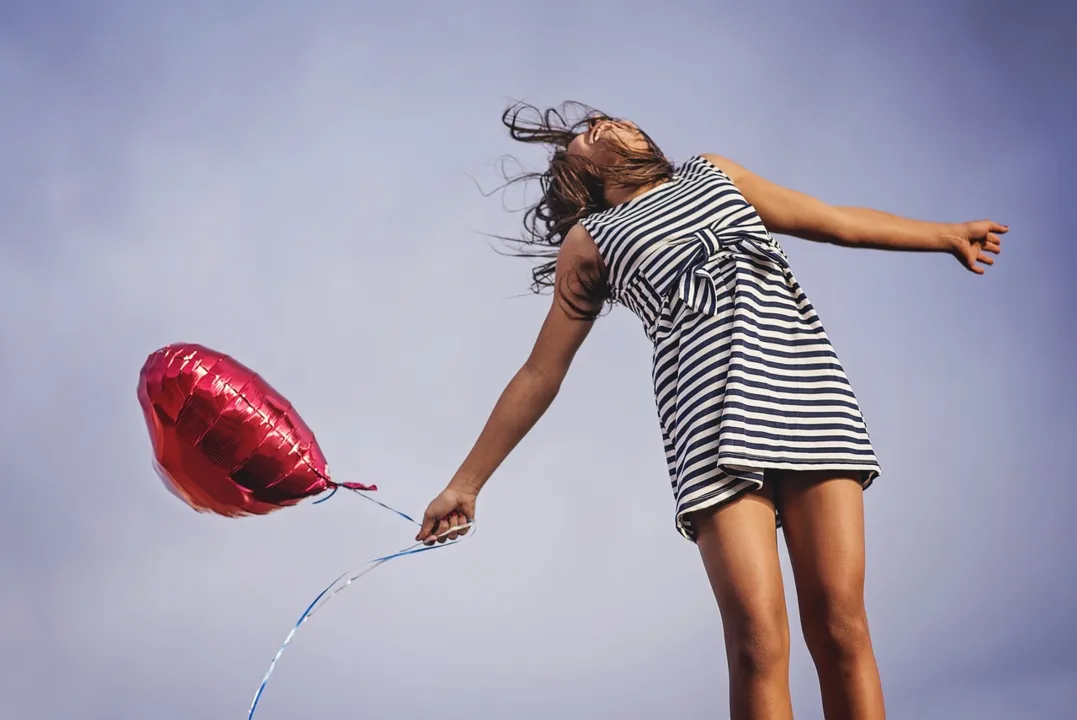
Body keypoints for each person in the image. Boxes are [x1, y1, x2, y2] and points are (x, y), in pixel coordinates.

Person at [416, 102, 1007, 720]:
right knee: (756, 643)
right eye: (588, 134)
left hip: (808, 395)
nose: (606, 126)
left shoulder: (713, 174)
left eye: (606, 118)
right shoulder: (590, 240)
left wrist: (944, 235)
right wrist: (466, 484)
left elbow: (829, 220)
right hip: (708, 427)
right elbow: (541, 372)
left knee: (840, 624)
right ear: (578, 171)